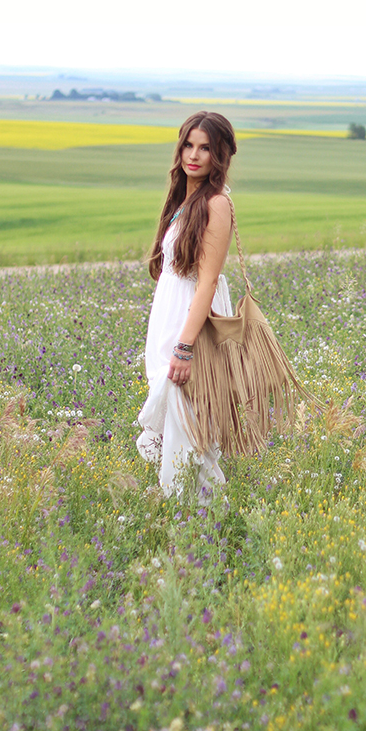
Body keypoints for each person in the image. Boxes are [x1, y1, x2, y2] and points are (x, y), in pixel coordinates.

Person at [136, 111, 237, 498]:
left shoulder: (216, 204)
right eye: (189, 145)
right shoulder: (185, 199)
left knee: (190, 434)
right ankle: (185, 519)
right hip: (170, 322)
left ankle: (200, 523)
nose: (193, 155)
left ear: (220, 155)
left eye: (206, 148)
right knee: (179, 430)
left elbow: (208, 281)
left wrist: (184, 346)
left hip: (188, 330)